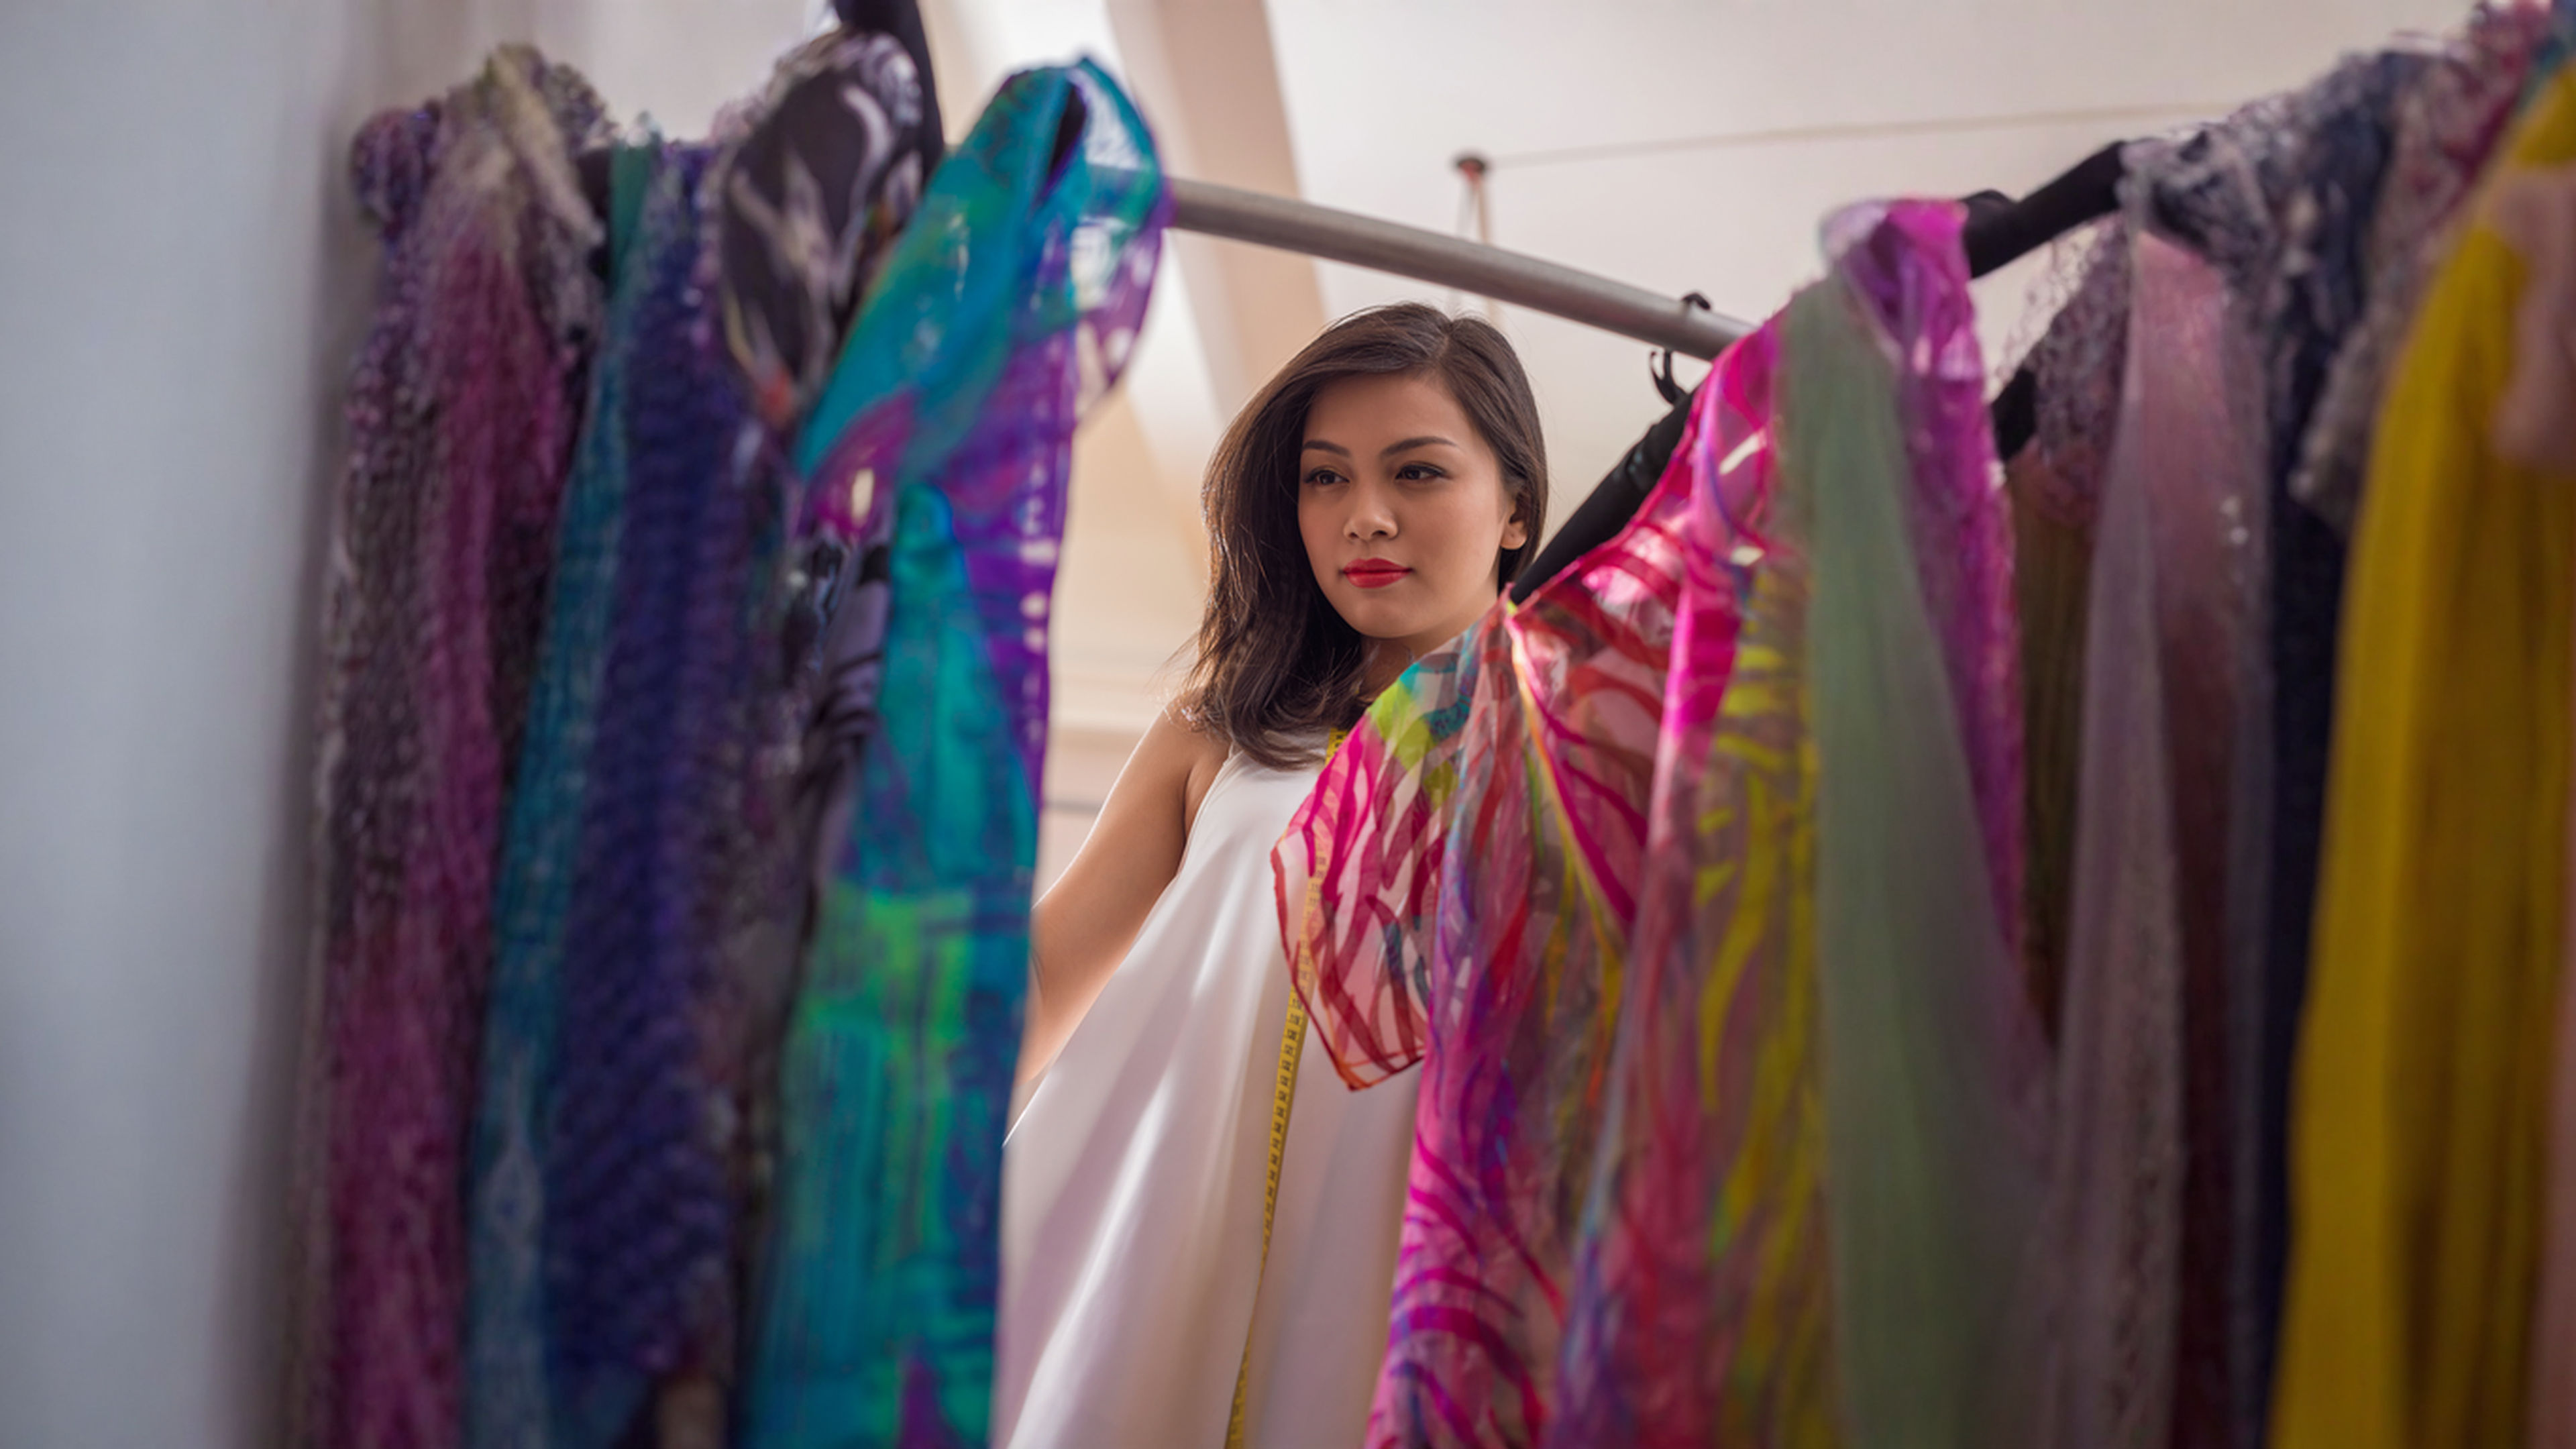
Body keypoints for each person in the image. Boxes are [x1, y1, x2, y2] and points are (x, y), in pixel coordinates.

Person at [994, 302, 1548, 1449]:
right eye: (1324, 478)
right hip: (1164, 1232)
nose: (1367, 517)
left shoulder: (1566, 746)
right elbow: (1043, 985)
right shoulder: (1223, 732)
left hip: (1425, 1262)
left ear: (1517, 510)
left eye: (1418, 471)